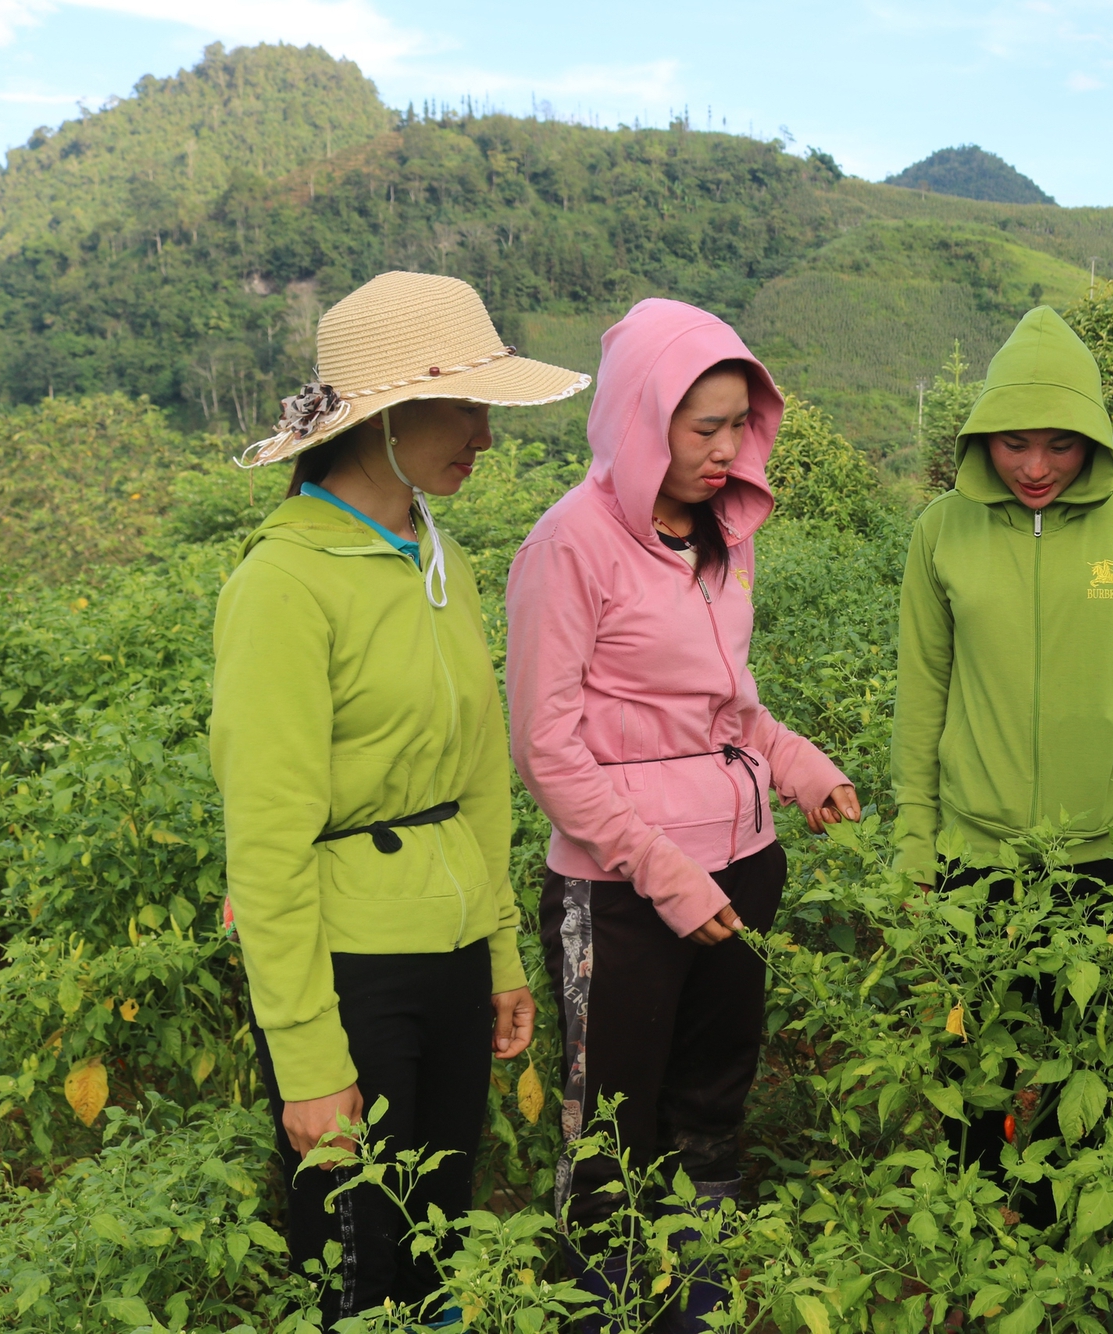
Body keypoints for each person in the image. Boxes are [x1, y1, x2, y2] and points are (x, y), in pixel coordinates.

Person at [212, 270, 589, 1323]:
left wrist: (501, 954)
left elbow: (477, 774)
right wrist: (308, 1064)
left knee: (440, 1238)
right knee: (355, 1261)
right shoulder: (283, 584)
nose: (483, 431)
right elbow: (269, 842)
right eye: (464, 404)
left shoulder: (436, 554)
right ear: (382, 414)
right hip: (349, 969)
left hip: (450, 950)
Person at [506, 298, 860, 1331]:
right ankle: (601, 1311)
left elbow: (729, 705)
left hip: (741, 865)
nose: (723, 447)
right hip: (622, 889)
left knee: (710, 1110)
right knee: (611, 1129)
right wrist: (661, 869)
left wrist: (797, 765)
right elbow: (546, 744)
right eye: (699, 425)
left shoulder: (720, 536)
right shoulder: (569, 544)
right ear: (636, 415)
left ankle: (692, 1307)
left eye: (736, 424)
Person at [892, 305, 1113, 1203]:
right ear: (982, 436)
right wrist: (916, 843)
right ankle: (980, 1250)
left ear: (1095, 441)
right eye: (1013, 444)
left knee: (1082, 1075)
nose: (1035, 468)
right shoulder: (940, 533)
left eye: (1061, 446)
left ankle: (1068, 1254)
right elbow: (921, 697)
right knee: (970, 1079)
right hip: (973, 856)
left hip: (1105, 856)